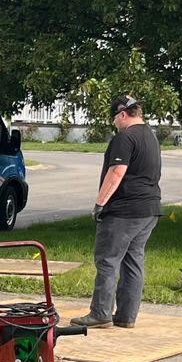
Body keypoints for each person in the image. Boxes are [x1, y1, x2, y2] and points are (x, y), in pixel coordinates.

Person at [73, 95, 162, 330]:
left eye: (114, 118)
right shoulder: (151, 136)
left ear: (123, 114)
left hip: (124, 210)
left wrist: (100, 203)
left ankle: (100, 313)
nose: (114, 123)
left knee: (108, 261)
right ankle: (126, 317)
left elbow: (116, 172)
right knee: (133, 261)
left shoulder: (125, 137)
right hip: (149, 209)